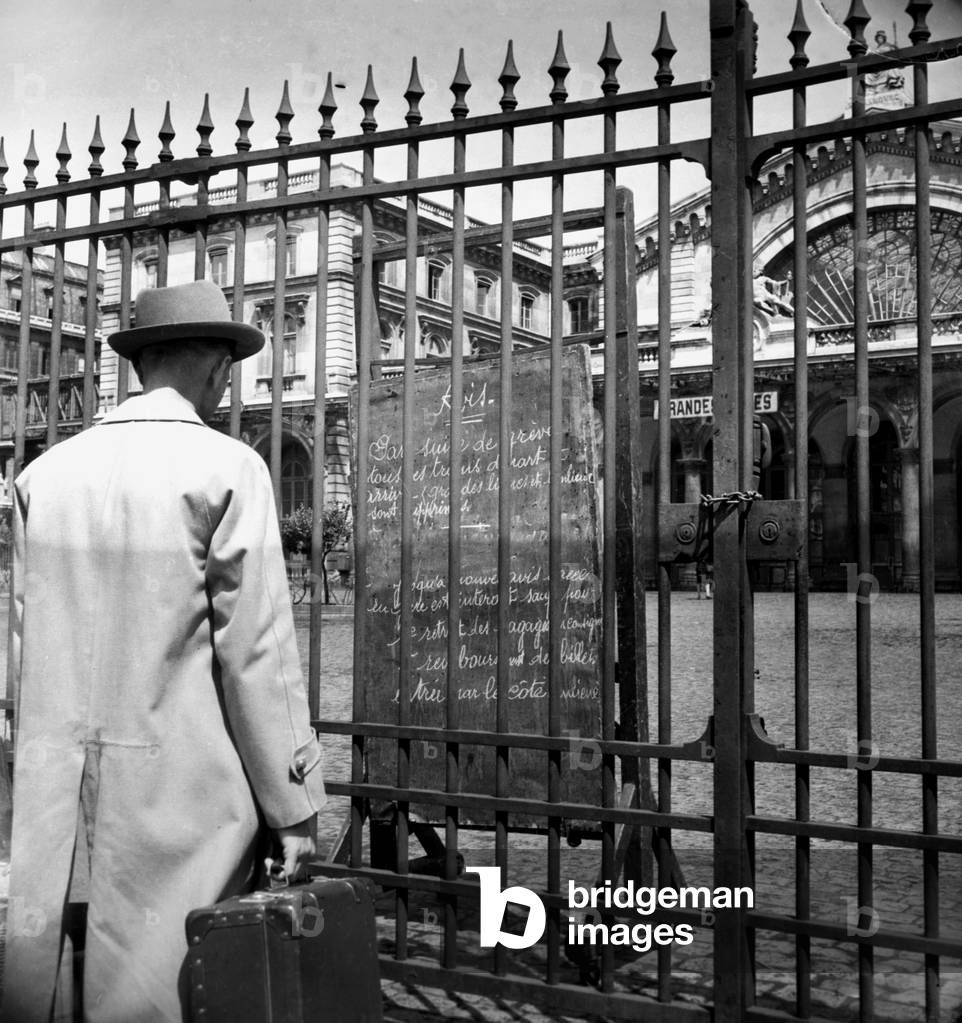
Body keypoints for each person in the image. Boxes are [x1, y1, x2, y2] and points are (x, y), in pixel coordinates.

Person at [2, 280, 326, 1022]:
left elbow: (22, 646)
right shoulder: (229, 468)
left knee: (55, 982)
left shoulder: (43, 475)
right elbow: (258, 656)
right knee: (169, 990)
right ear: (218, 368)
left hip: (61, 792)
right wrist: (294, 805)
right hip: (182, 793)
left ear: (141, 362)